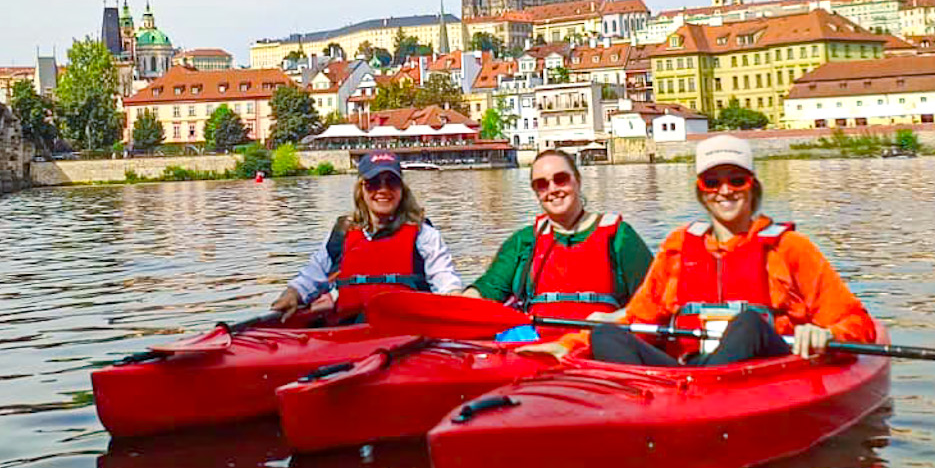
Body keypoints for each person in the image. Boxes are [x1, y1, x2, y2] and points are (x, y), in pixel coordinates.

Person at [522, 134, 875, 367]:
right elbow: (637, 318)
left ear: (752, 187)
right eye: (713, 182)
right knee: (605, 334)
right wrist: (569, 345)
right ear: (701, 191)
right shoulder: (678, 247)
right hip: (689, 376)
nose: (725, 191)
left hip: (764, 372)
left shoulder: (789, 248)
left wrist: (827, 334)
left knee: (749, 323)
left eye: (736, 180)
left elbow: (856, 322)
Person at [463, 148, 653, 336]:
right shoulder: (524, 241)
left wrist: (615, 319)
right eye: (542, 184)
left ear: (578, 181)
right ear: (536, 192)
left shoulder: (620, 236)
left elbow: (655, 300)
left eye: (561, 179)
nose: (553, 189)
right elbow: (488, 289)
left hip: (598, 347)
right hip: (535, 349)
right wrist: (460, 301)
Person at [269, 151, 462, 317]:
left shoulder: (424, 235)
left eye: (391, 182)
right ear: (361, 189)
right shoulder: (342, 234)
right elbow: (312, 275)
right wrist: (293, 293)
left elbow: (445, 279)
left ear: (402, 189)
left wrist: (455, 297)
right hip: (350, 334)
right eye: (374, 183)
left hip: (409, 333)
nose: (383, 190)